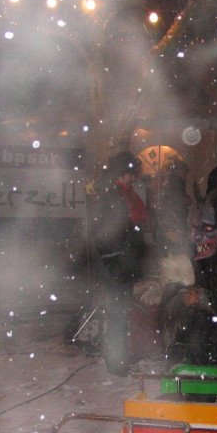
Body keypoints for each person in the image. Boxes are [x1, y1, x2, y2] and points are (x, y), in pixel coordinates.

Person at [90, 151, 150, 375]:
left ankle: (120, 355)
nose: (134, 178)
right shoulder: (111, 196)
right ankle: (115, 360)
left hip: (123, 261)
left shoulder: (121, 194)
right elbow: (104, 233)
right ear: (122, 172)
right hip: (115, 262)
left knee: (121, 311)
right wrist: (114, 261)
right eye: (131, 174)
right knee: (117, 313)